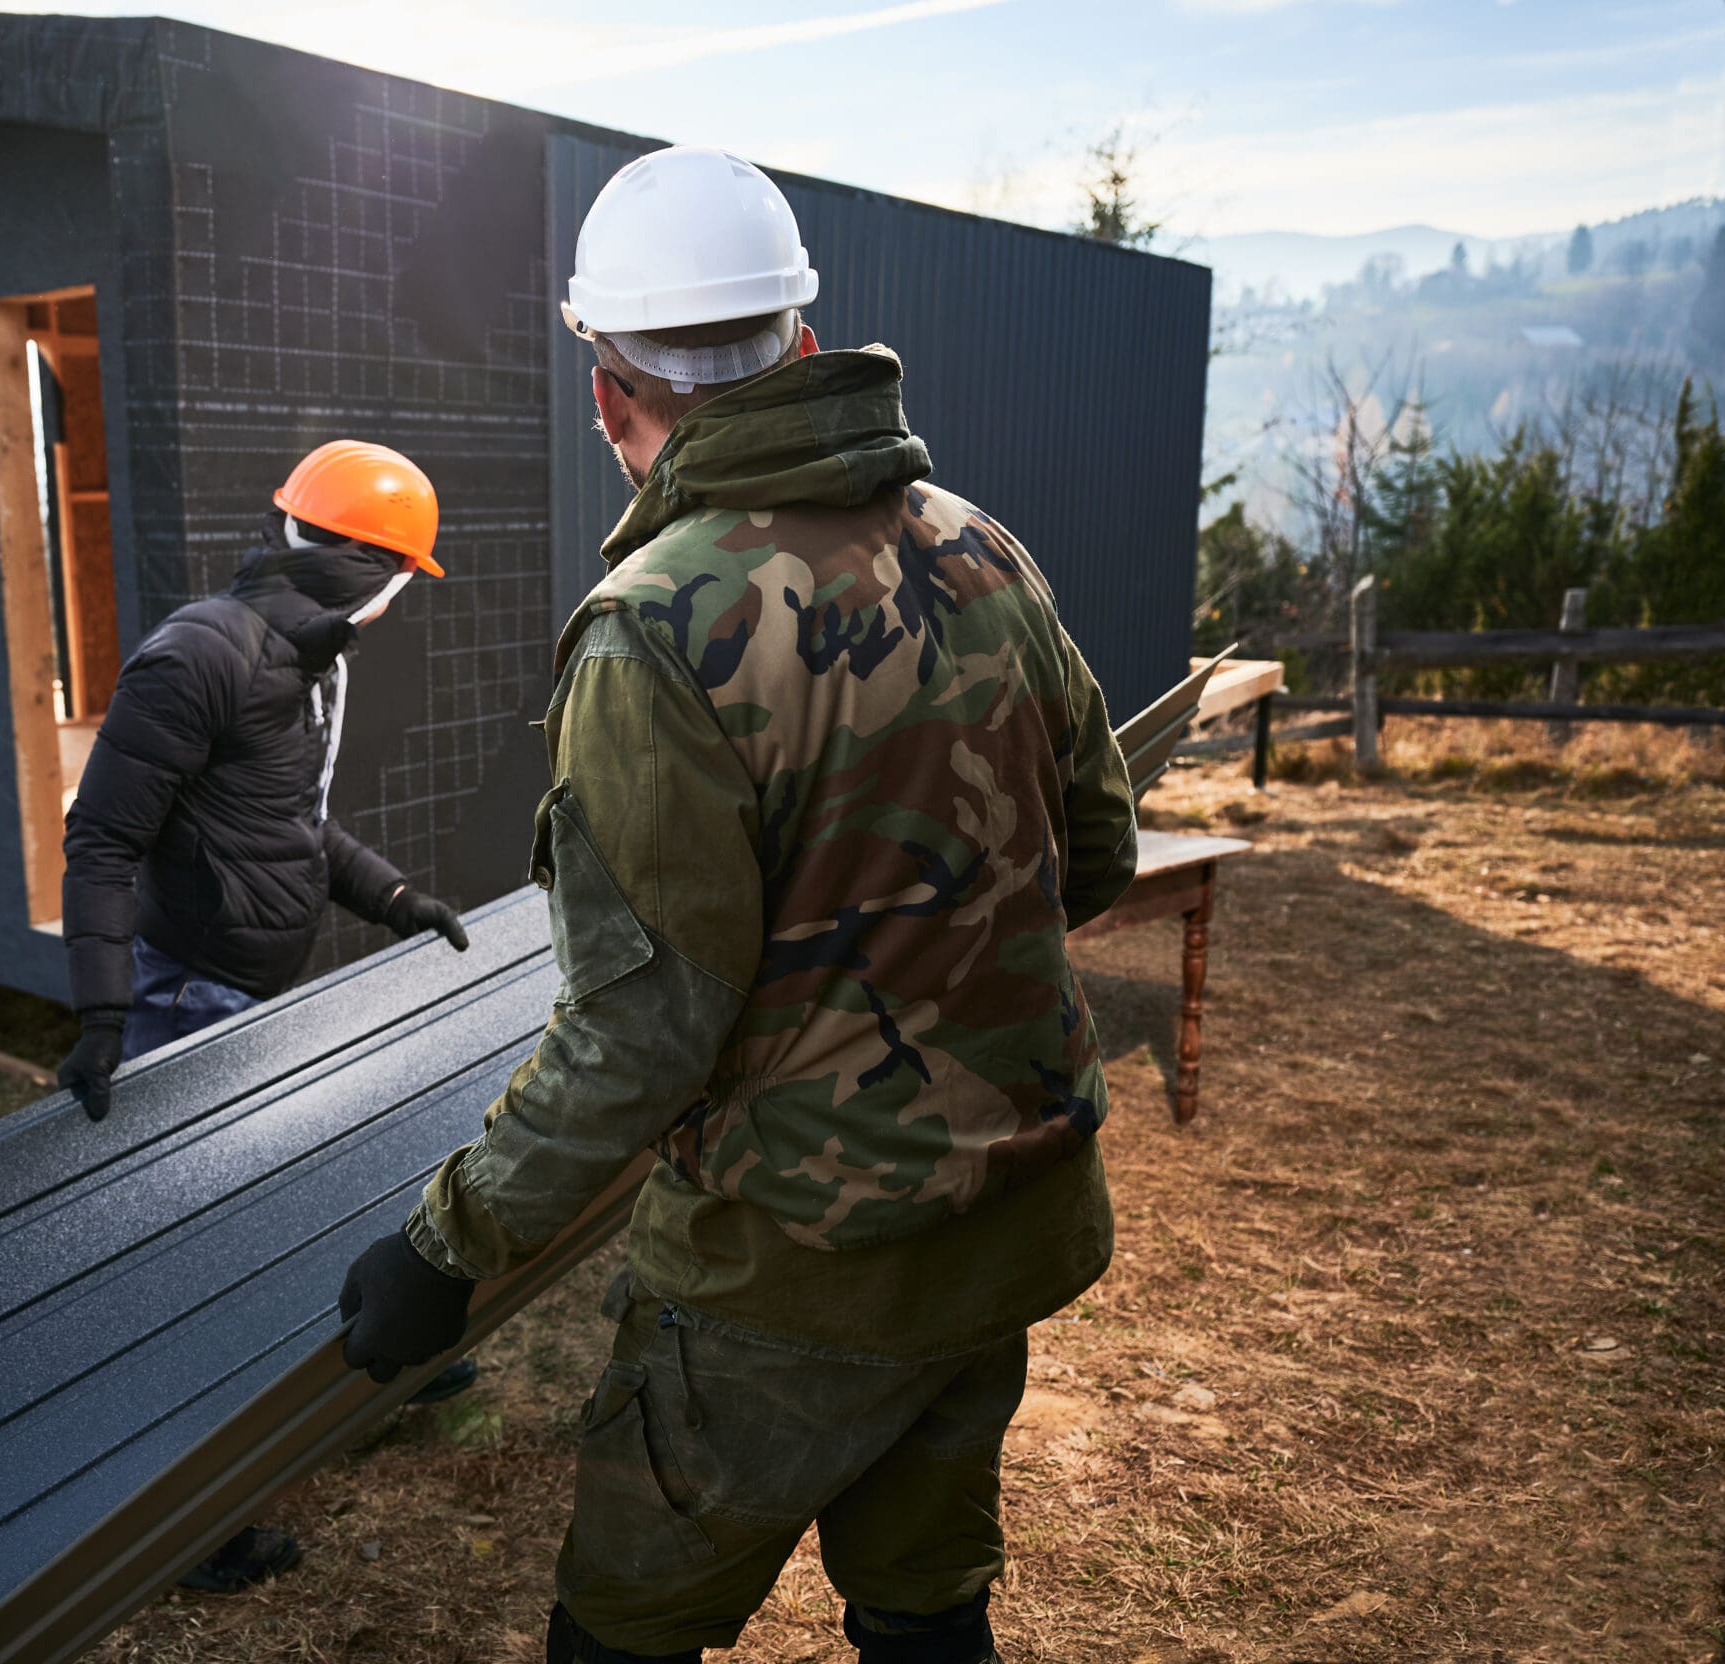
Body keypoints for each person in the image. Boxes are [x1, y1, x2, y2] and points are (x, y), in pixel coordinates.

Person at [335, 147, 1139, 1664]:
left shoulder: (657, 633)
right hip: (1001, 1233)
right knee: (926, 1607)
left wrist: (446, 1253)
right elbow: (1093, 855)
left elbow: (644, 1036)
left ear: (606, 394)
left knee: (623, 1633)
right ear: (807, 348)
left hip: (789, 1277)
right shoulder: (989, 552)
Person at [57, 439, 479, 1592]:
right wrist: (101, 1016)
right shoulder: (200, 655)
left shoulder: (300, 658)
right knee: (191, 1269)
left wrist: (396, 897)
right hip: (184, 995)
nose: (404, 601)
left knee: (279, 1212)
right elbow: (100, 837)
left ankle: (377, 1365)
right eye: (406, 577)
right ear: (371, 566)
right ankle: (189, 1526)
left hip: (244, 993)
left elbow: (286, 823)